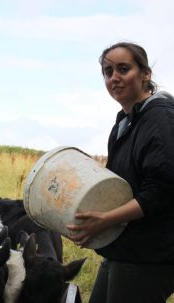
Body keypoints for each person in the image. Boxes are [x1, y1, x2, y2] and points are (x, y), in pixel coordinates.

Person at [66, 41, 174, 303]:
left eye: (123, 69)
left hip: (152, 252)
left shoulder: (160, 117)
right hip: (124, 246)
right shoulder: (123, 124)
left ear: (145, 74)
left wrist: (106, 220)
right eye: (107, 71)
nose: (114, 78)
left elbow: (162, 190)